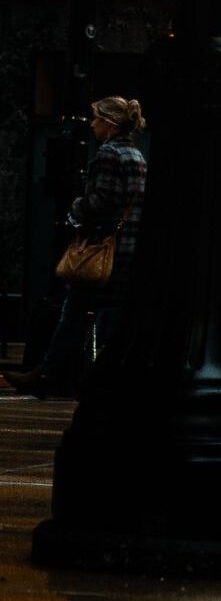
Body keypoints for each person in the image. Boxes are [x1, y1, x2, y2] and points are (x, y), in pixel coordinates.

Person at [4, 96, 148, 399]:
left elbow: (102, 201)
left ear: (109, 123)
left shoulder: (108, 153)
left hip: (101, 249)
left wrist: (77, 206)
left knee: (74, 310)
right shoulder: (136, 155)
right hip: (126, 250)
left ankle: (48, 374)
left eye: (96, 119)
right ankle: (100, 379)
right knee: (110, 314)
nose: (92, 125)